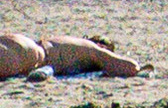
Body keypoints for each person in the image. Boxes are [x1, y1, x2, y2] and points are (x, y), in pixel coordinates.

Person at [0, 30, 143, 77]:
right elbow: (131, 67)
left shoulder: (67, 42)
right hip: (31, 55)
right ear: (102, 45)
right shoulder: (94, 49)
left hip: (24, 44)